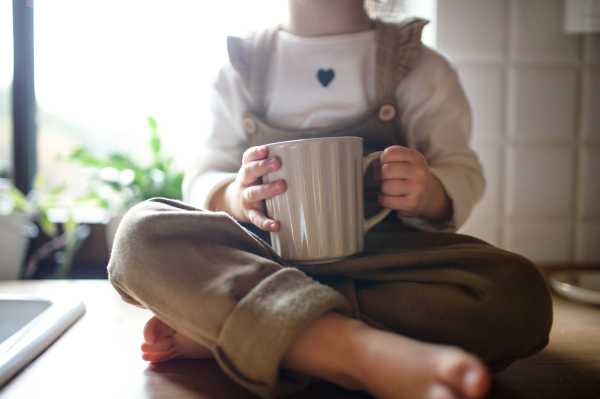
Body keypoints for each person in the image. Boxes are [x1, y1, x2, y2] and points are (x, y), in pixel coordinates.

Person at [108, 1, 553, 399]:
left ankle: (245, 331)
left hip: (384, 262)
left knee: (520, 292)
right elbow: (203, 173)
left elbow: (462, 170)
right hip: (264, 259)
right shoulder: (239, 69)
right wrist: (236, 196)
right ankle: (359, 352)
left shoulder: (421, 67)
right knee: (138, 233)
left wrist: (431, 190)